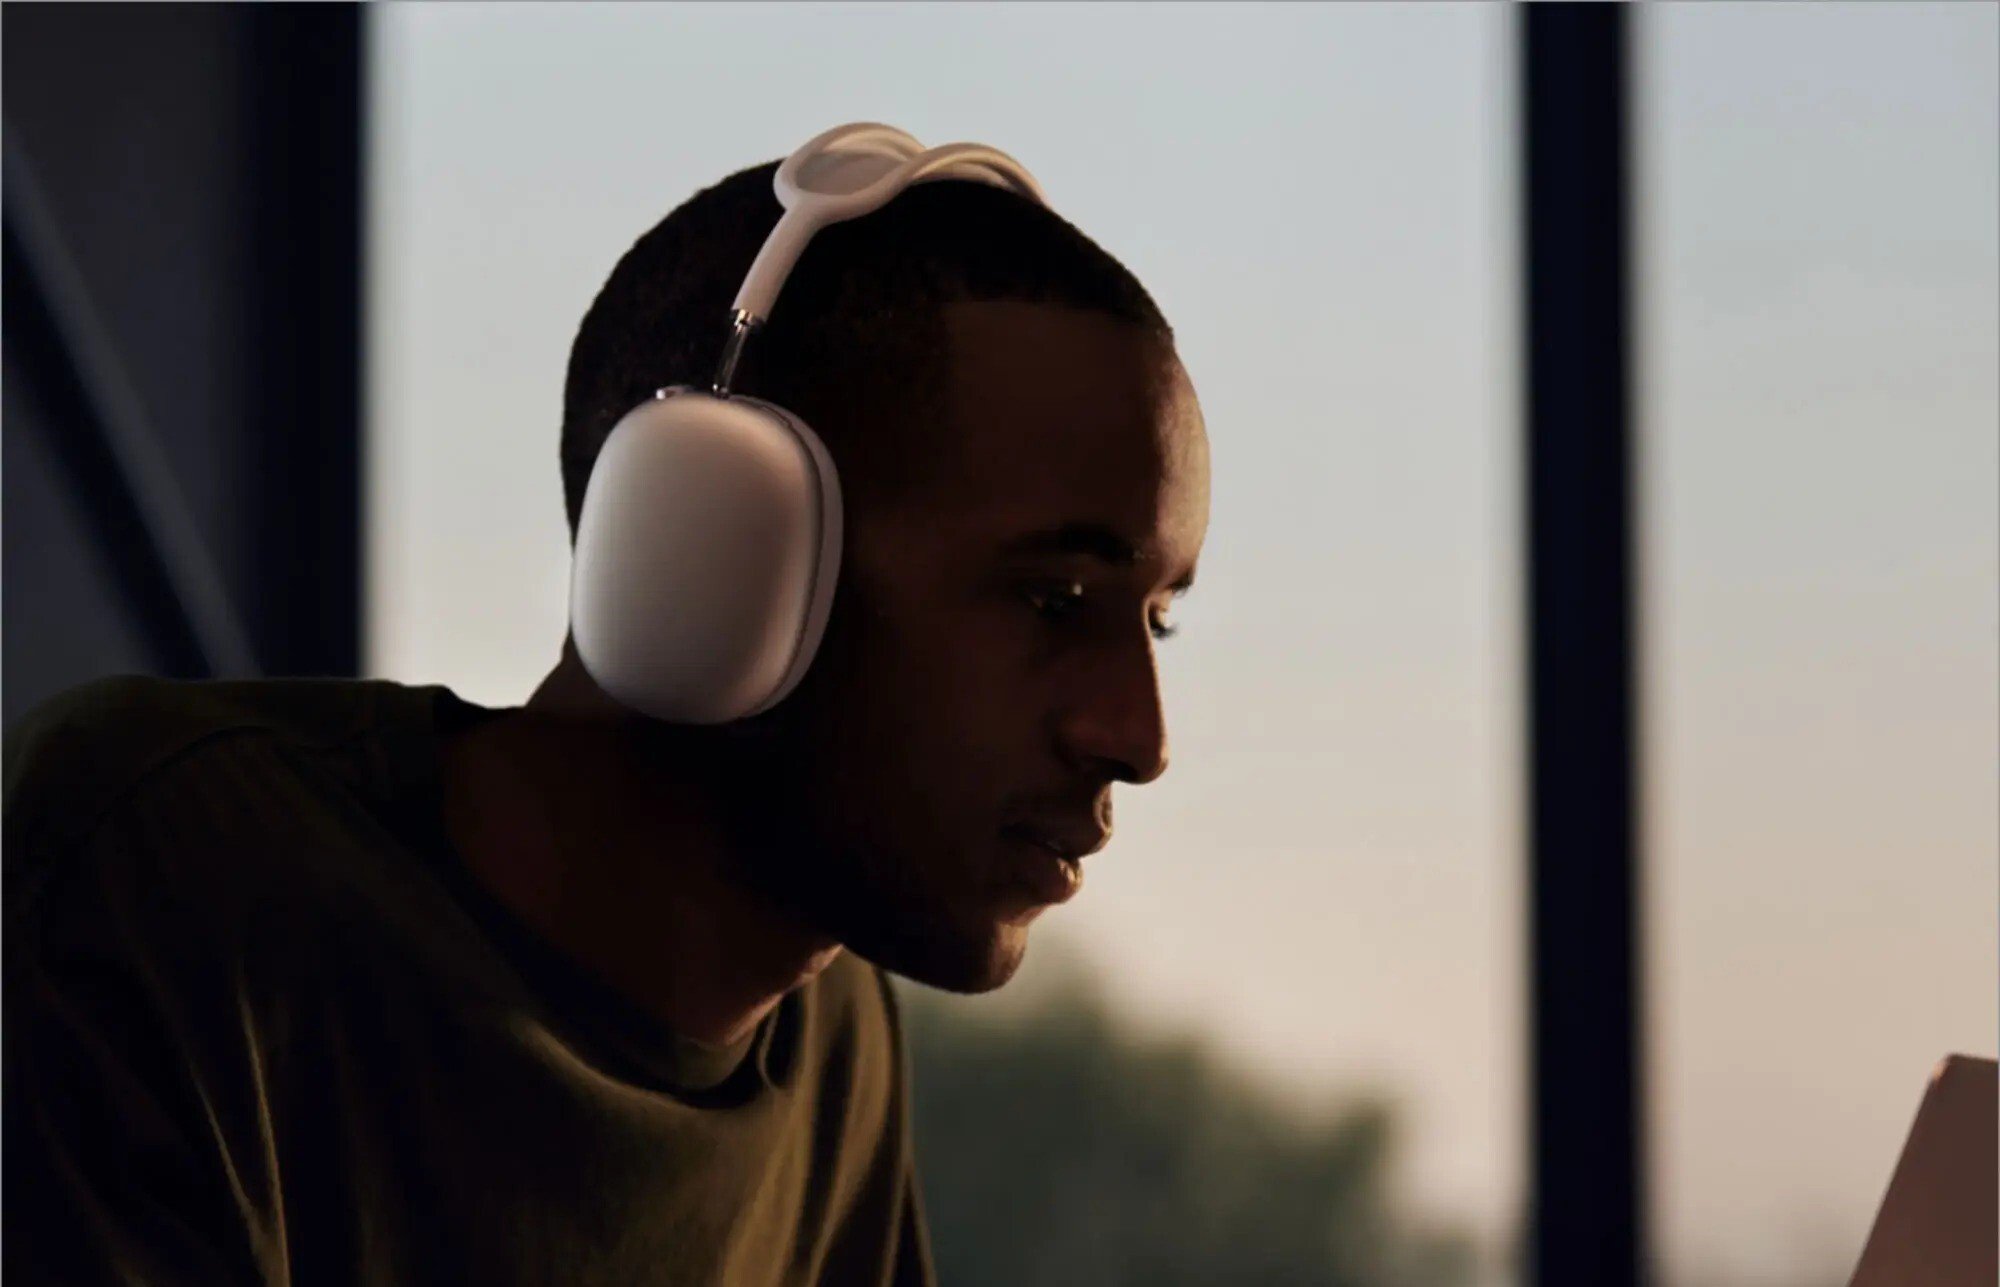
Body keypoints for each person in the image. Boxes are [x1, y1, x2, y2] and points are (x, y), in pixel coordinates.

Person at [4, 150, 1210, 1285]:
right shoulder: (173, 871)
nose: (1138, 739)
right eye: (1054, 600)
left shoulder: (831, 1034)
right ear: (723, 555)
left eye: (1153, 619)